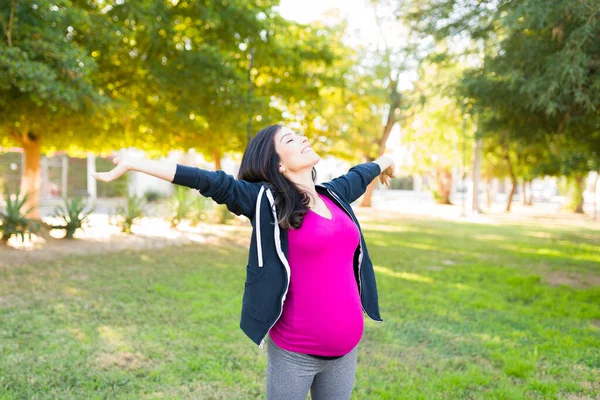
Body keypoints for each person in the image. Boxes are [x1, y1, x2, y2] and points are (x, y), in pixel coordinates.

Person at [93, 124, 396, 400]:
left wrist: (386, 161)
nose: (304, 138)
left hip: (345, 352)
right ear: (277, 163)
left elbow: (361, 174)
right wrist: (135, 163)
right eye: (290, 139)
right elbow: (206, 180)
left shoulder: (334, 194)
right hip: (296, 352)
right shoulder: (265, 201)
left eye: (300, 134)